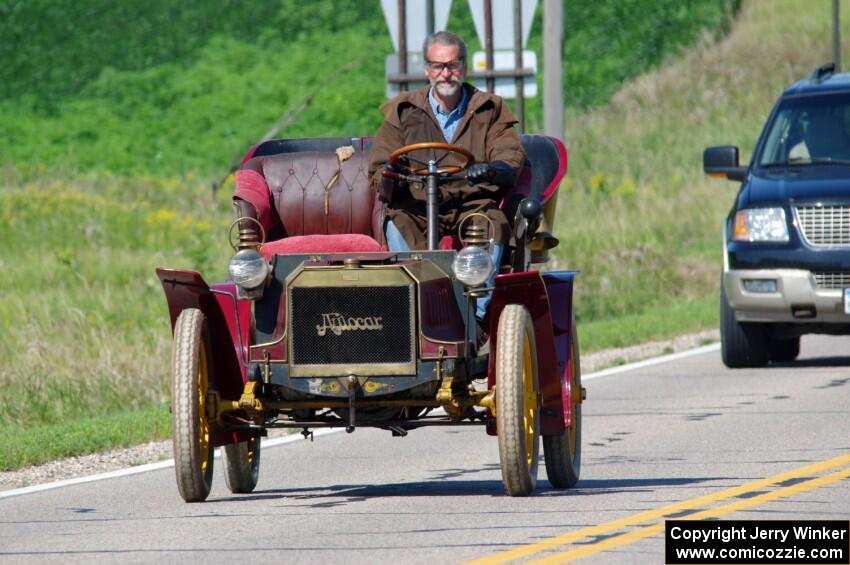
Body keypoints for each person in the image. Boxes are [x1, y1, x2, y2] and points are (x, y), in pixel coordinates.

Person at [368, 30, 525, 328]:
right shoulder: (404, 111)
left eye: (452, 65)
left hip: (472, 202)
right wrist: (392, 177)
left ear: (463, 67)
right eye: (438, 66)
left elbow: (509, 156)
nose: (446, 73)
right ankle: (411, 314)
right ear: (427, 70)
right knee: (395, 221)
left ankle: (475, 315)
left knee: (493, 224)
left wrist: (492, 169)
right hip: (417, 205)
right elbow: (378, 167)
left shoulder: (488, 109)